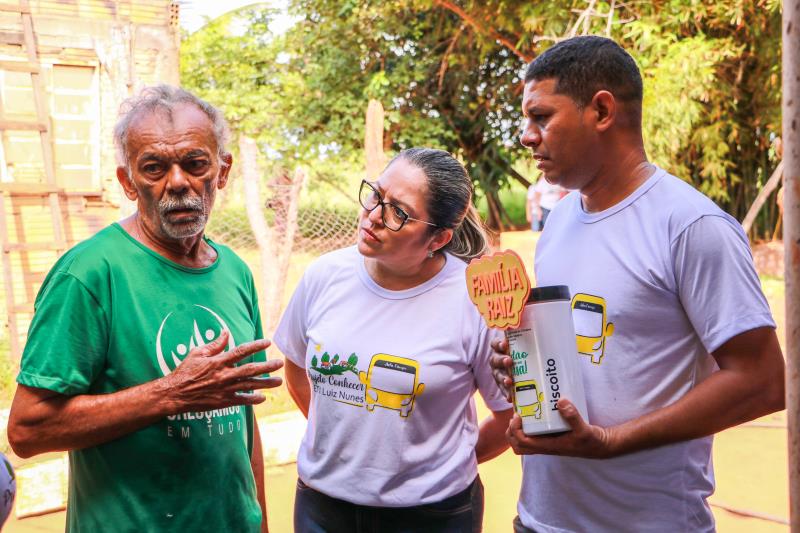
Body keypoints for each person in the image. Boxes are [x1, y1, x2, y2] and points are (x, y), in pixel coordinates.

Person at [490, 36, 785, 532]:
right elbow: (582, 363)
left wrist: (610, 442)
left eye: (541, 117)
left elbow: (763, 381)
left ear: (601, 110)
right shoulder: (558, 222)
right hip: (540, 520)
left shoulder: (691, 226)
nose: (526, 136)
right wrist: (523, 365)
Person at [7, 85, 284, 533]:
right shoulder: (89, 273)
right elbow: (27, 431)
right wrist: (171, 393)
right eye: (154, 167)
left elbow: (242, 420)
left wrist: (260, 523)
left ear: (222, 170)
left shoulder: (235, 271)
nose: (177, 182)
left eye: (195, 163)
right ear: (128, 181)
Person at [274, 147, 513, 532]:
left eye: (398, 212)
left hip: (433, 516)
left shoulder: (472, 299)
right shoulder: (324, 276)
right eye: (375, 195)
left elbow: (506, 416)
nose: (373, 216)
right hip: (322, 509)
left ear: (438, 239)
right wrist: (346, 448)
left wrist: (441, 468)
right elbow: (298, 370)